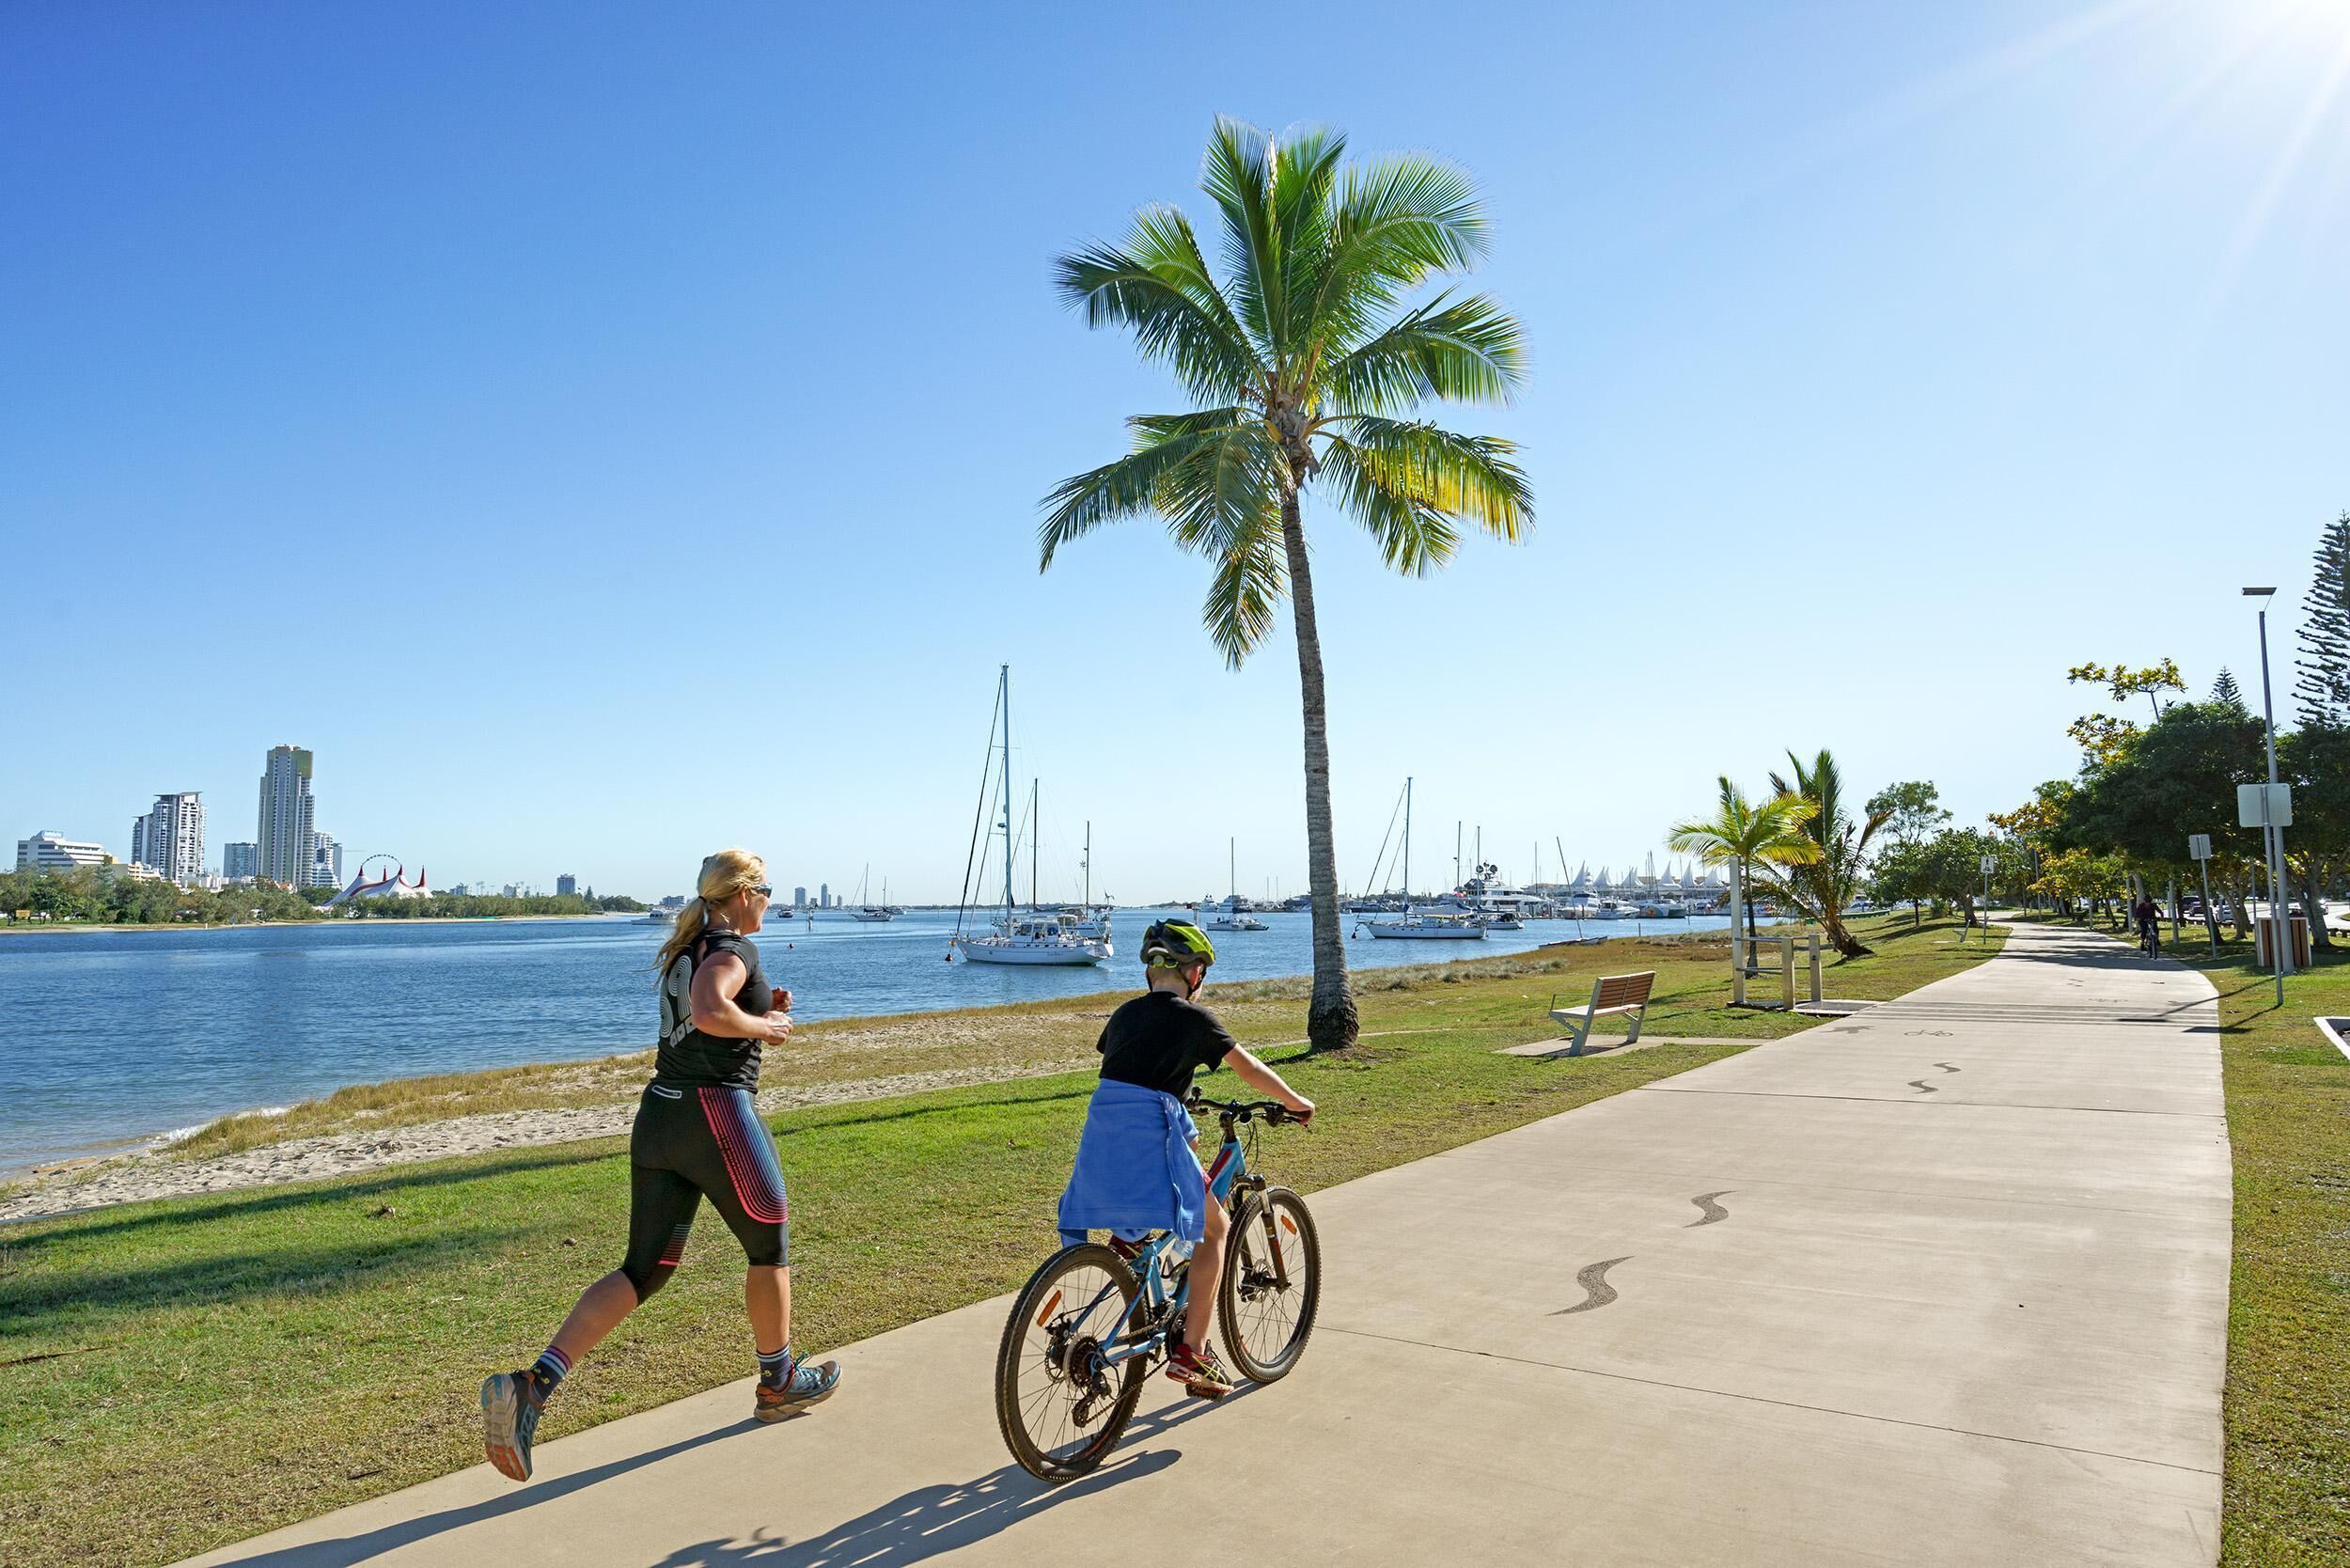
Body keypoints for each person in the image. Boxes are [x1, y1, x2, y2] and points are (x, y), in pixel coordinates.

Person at [479, 849, 838, 1483]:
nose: (770, 900)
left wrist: (757, 1017)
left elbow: (704, 1017)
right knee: (770, 1244)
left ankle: (533, 1386)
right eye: (766, 889)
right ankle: (779, 1381)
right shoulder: (732, 949)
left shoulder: (688, 949)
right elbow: (709, 1011)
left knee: (642, 1271)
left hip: (662, 1117)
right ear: (743, 893)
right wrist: (766, 1025)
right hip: (716, 1116)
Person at [1055, 919, 1314, 1400]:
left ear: (1152, 973)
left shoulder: (1124, 1016)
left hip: (1102, 1143)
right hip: (1154, 1141)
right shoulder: (1196, 1020)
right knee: (1215, 1230)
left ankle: (1130, 1246)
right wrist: (1296, 1101)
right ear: (1195, 972)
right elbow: (1249, 1069)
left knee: (1166, 1178)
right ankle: (1193, 1349)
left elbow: (1133, 1073)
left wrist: (1176, 1093)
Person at [2135, 893, 2160, 957]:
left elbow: (2159, 910)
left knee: (2156, 929)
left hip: (2152, 919)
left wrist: (2161, 915)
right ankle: (2142, 944)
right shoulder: (2141, 906)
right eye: (2147, 902)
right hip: (2143, 920)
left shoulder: (2153, 905)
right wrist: (2138, 918)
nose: (2148, 903)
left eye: (2149, 902)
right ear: (2145, 901)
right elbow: (2137, 913)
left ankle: (2156, 940)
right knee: (2144, 930)